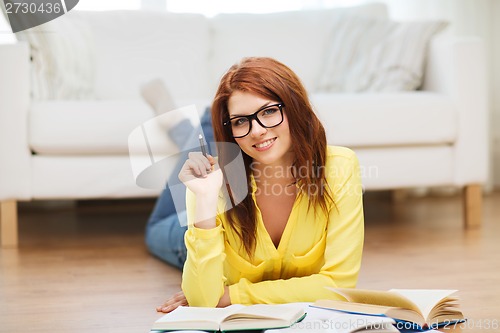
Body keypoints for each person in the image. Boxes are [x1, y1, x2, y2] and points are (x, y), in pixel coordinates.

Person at [153, 57, 364, 313]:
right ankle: (193, 125)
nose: (256, 130)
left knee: (211, 138)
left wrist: (234, 294)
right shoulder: (210, 183)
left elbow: (338, 288)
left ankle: (186, 126)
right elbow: (204, 300)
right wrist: (205, 204)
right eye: (240, 121)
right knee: (156, 228)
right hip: (189, 223)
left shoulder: (339, 167)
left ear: (295, 107)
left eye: (269, 111)